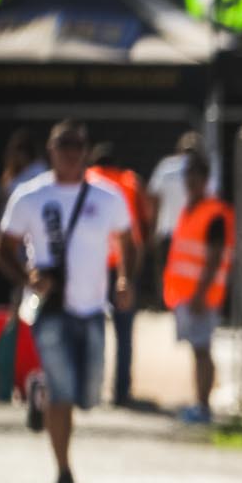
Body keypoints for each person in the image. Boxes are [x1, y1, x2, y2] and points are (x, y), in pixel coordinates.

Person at [0, 121, 140, 483]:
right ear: (51, 150)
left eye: (77, 146)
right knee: (64, 393)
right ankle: (63, 473)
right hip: (52, 307)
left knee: (88, 396)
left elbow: (128, 240)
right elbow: (5, 247)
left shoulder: (107, 196)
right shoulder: (31, 195)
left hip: (92, 307)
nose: (71, 153)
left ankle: (41, 388)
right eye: (64, 146)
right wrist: (28, 278)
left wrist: (125, 279)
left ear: (86, 151)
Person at [158, 151, 233, 424]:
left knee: (202, 350)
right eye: (187, 175)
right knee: (198, 350)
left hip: (202, 296)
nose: (190, 181)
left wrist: (201, 294)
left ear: (205, 179)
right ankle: (200, 404)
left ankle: (203, 406)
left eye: (196, 175)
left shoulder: (214, 213)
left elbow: (215, 257)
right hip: (187, 295)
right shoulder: (190, 208)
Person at [89, 144, 146, 407]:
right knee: (124, 332)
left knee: (94, 326)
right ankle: (121, 392)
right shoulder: (129, 182)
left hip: (95, 266)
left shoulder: (87, 179)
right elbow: (140, 231)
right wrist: (133, 275)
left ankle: (92, 387)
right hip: (124, 265)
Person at [145, 133, 212, 308]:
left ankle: (168, 304)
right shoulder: (204, 173)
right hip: (195, 235)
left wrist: (152, 229)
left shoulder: (166, 167)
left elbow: (153, 199)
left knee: (167, 273)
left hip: (168, 231)